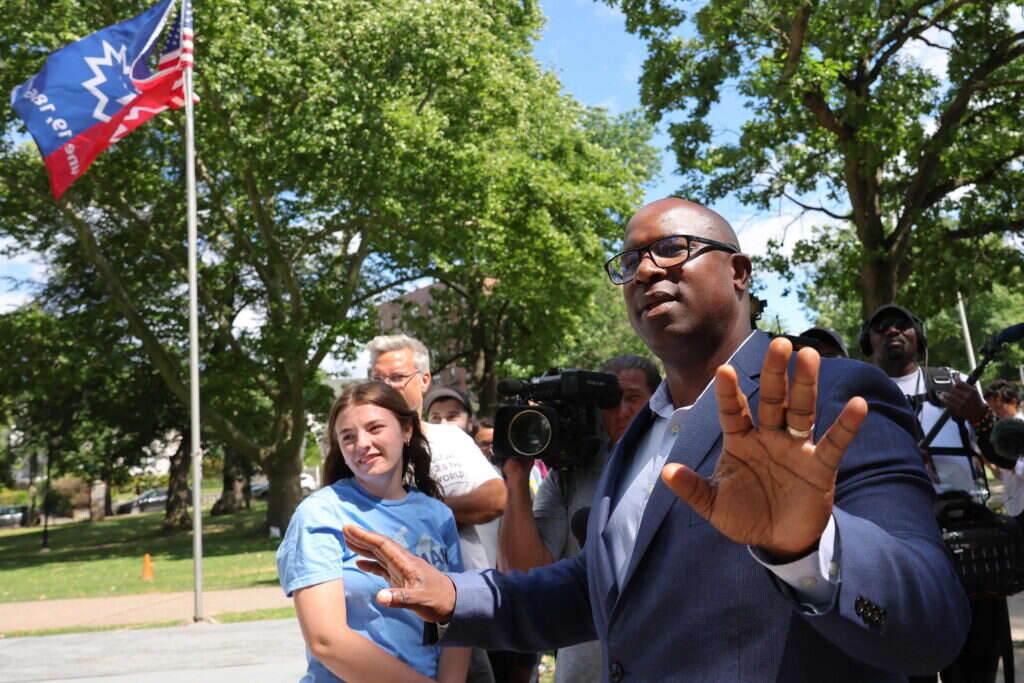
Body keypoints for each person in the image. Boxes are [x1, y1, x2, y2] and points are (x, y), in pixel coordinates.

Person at [342, 198, 969, 682]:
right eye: (630, 261)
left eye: (672, 248)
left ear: (740, 271)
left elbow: (932, 622)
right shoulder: (634, 436)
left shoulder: (831, 395)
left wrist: (810, 548)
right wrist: (456, 595)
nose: (645, 269)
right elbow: (599, 588)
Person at [275, 382, 470, 682]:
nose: (362, 444)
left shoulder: (437, 515)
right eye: (348, 437)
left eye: (375, 428)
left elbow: (457, 618)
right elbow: (327, 641)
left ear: (407, 431)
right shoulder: (319, 514)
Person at [861, 304, 1002, 683]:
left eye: (902, 323)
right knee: (909, 664)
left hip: (966, 543)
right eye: (880, 325)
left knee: (976, 662)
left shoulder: (951, 383)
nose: (892, 329)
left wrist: (981, 417)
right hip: (896, 546)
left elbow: (1001, 453)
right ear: (868, 341)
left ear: (918, 336)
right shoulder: (858, 393)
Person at [498, 354, 660, 683]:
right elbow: (525, 573)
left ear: (657, 400)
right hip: (583, 669)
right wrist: (516, 477)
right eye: (610, 402)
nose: (622, 411)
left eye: (633, 398)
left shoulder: (680, 460)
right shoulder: (570, 474)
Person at [368, 333, 505, 683]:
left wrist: (420, 508)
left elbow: (494, 500)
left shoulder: (450, 439)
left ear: (424, 379)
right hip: (388, 617)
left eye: (397, 377)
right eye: (376, 378)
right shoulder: (362, 451)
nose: (386, 386)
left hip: (461, 607)